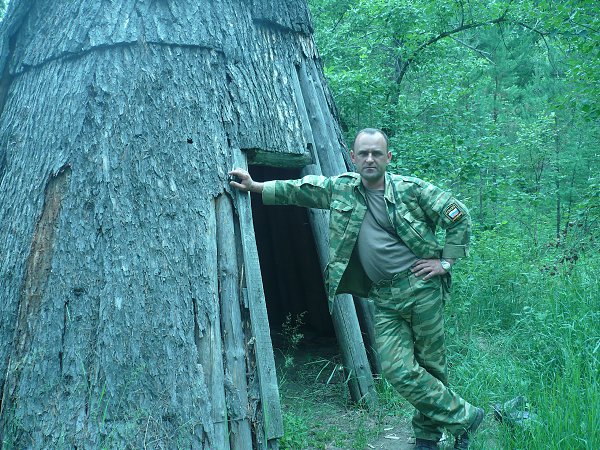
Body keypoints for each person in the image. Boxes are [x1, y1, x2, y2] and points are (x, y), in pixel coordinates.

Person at [229, 128, 484, 449]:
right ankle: (467, 417)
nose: (370, 159)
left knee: (431, 366)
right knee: (397, 369)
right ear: (353, 157)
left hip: (422, 290)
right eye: (363, 153)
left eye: (377, 153)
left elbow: (458, 216)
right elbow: (301, 189)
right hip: (384, 297)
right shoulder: (342, 189)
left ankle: (427, 436)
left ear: (388, 157)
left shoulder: (412, 190)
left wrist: (445, 261)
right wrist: (255, 186)